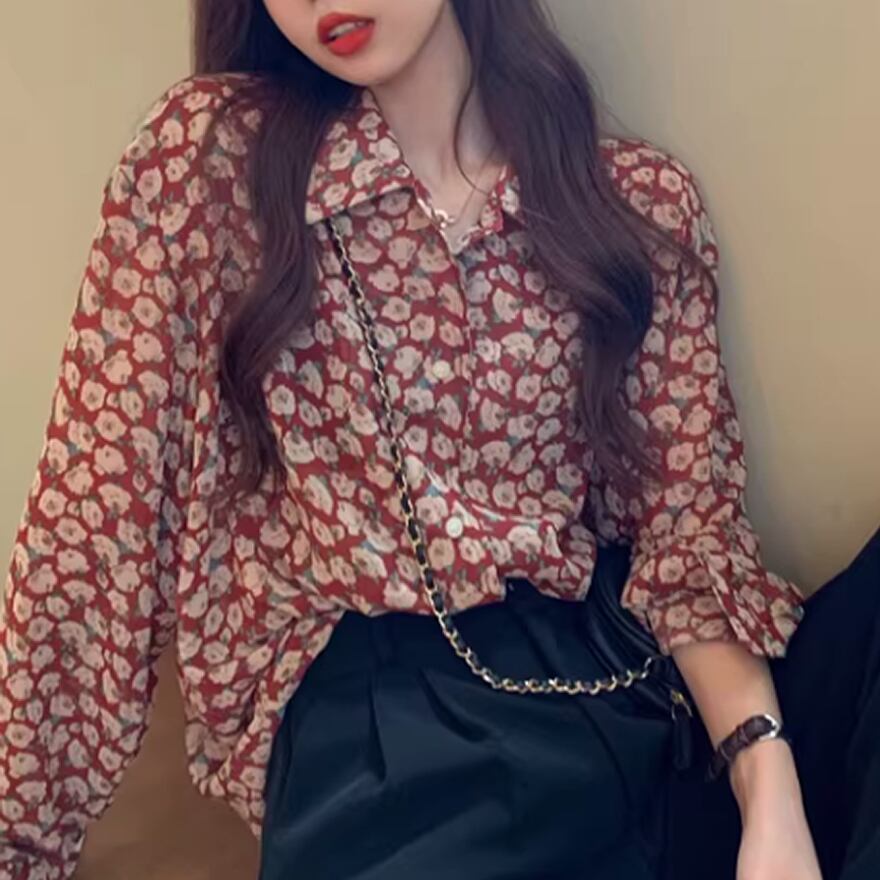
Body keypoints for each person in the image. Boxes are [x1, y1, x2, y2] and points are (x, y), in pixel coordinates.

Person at [1, 2, 877, 878]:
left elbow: (686, 538)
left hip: (639, 705)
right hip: (395, 759)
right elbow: (90, 539)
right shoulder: (211, 167)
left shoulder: (632, 204)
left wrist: (770, 793)